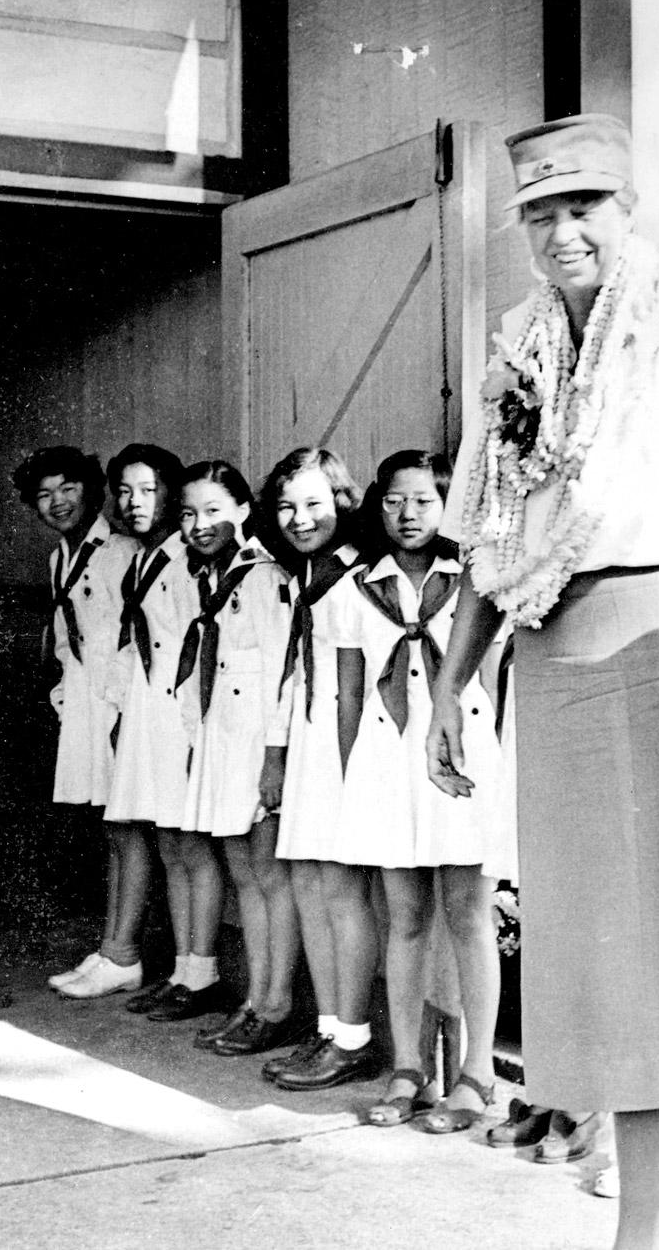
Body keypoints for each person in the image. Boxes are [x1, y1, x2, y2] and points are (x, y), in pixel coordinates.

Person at [426, 114, 659, 1250]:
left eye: (584, 207)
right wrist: (448, 684)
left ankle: (653, 1224)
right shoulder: (510, 347)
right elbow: (486, 527)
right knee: (590, 957)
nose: (561, 230)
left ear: (629, 213)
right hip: (550, 645)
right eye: (540, 211)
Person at [328, 449, 515, 1128]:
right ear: (378, 507)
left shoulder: (476, 579)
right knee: (404, 917)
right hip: (386, 763)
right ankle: (407, 1066)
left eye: (423, 502)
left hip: (462, 755)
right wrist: (359, 782)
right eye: (394, 501)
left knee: (469, 915)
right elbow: (349, 694)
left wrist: (491, 770)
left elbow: (490, 680)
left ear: (447, 508)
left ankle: (478, 1072)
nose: (407, 515)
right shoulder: (353, 589)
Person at [258, 446, 381, 1090]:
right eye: (285, 506)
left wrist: (349, 772)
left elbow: (360, 687)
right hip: (307, 747)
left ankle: (355, 1036)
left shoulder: (361, 575)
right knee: (308, 885)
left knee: (340, 890)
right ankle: (329, 1029)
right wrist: (277, 755)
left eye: (313, 503)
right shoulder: (303, 576)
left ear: (341, 501)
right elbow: (291, 673)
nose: (300, 517)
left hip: (344, 751)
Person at [62, 443, 199, 1009]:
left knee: (182, 842)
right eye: (125, 491)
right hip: (138, 707)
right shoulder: (148, 554)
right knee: (151, 835)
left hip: (175, 714)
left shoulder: (183, 557)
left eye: (147, 490)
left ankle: (186, 967)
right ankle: (135, 956)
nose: (133, 501)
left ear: (171, 492)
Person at [173, 460, 300, 1056]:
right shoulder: (213, 577)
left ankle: (278, 1005)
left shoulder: (263, 577)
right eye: (190, 514)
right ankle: (255, 998)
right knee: (244, 877)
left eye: (214, 511)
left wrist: (274, 760)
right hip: (224, 744)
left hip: (257, 747)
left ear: (244, 512)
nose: (200, 524)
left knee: (270, 878)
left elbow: (284, 673)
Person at [12, 446, 137, 992]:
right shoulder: (61, 557)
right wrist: (69, 704)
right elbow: (68, 643)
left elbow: (132, 643)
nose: (57, 503)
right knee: (111, 829)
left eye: (67, 489)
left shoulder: (121, 550)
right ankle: (111, 947)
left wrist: (115, 714)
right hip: (86, 704)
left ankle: (124, 951)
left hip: (121, 705)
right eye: (44, 495)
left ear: (92, 489)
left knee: (131, 830)